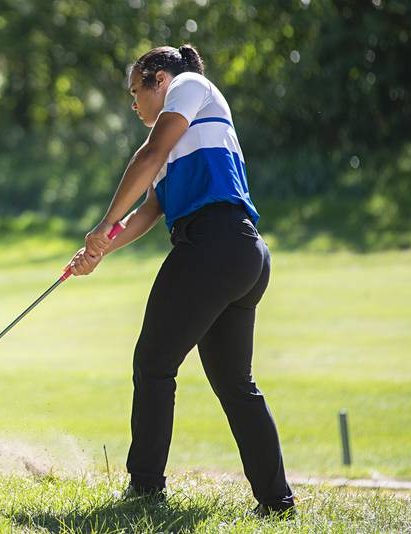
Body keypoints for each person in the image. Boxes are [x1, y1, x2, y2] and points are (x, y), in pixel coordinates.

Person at [66, 44, 296, 518]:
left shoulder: (190, 86)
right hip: (240, 255)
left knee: (153, 362)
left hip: (213, 247)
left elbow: (147, 157)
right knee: (235, 385)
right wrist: (101, 247)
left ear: (159, 78)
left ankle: (145, 489)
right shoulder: (180, 143)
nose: (134, 104)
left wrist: (100, 223)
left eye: (136, 91)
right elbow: (150, 209)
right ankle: (277, 505)